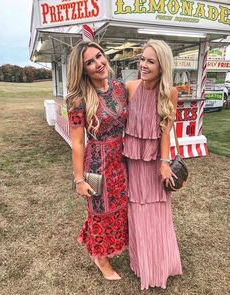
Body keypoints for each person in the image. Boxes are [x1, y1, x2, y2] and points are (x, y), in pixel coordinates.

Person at [66, 41, 128, 281]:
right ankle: (101, 258)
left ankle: (108, 249)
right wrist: (79, 179)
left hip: (122, 159)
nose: (98, 64)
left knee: (120, 209)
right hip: (97, 163)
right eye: (89, 62)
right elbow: (78, 143)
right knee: (100, 212)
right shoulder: (78, 100)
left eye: (99, 56)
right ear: (83, 70)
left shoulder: (120, 88)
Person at [123, 39, 182, 289]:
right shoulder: (130, 86)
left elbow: (166, 131)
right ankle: (141, 264)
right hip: (133, 162)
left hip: (155, 163)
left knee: (157, 212)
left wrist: (165, 162)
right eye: (142, 59)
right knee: (137, 210)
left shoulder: (170, 92)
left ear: (162, 66)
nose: (144, 65)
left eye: (150, 61)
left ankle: (158, 266)